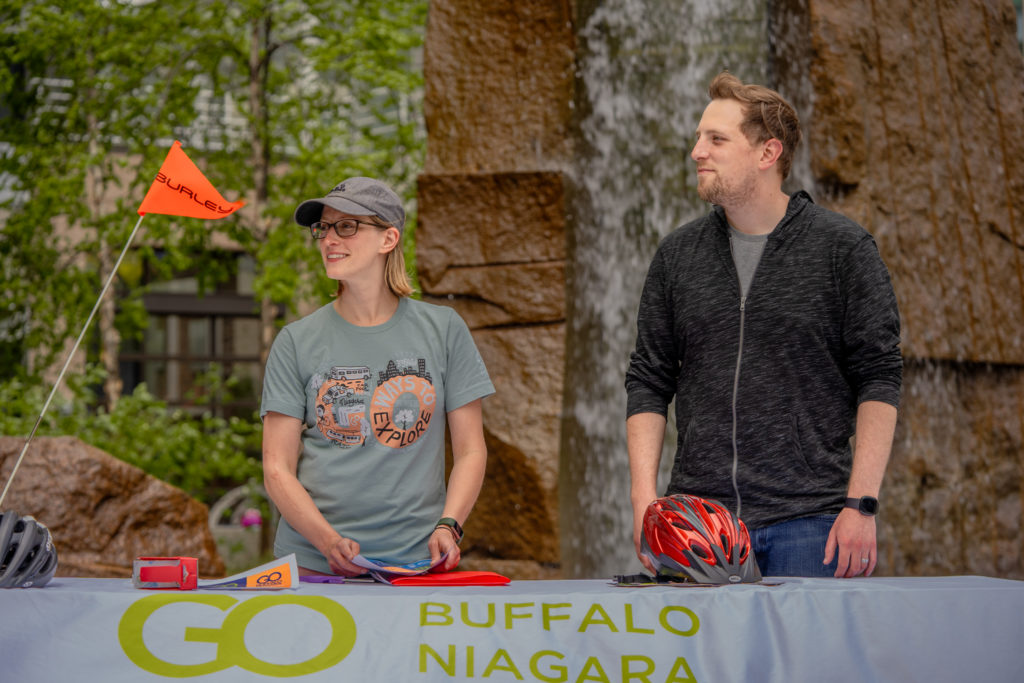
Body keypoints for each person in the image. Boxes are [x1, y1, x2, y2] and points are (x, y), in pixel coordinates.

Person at [625, 72, 902, 579]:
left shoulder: (843, 250)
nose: (696, 152)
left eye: (716, 139)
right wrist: (647, 502)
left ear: (767, 153)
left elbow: (879, 375)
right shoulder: (677, 255)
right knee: (701, 664)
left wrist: (861, 505)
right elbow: (648, 379)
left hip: (812, 524)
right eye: (697, 136)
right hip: (697, 525)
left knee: (810, 663)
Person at [261, 177, 494, 577]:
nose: (328, 239)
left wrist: (449, 524)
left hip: (417, 564)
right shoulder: (295, 341)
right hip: (315, 567)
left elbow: (471, 450)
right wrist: (327, 542)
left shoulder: (444, 330)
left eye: (346, 226)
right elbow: (277, 467)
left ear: (388, 239)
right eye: (324, 228)